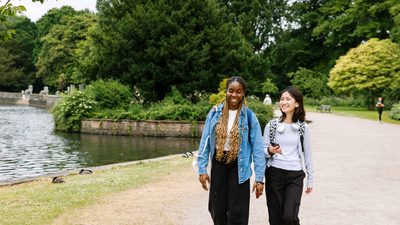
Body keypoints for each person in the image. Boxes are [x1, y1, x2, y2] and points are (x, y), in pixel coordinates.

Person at [197, 76, 266, 225]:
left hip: (239, 165)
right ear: (226, 91)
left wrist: (259, 178)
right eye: (231, 91)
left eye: (238, 92)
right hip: (219, 162)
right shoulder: (215, 113)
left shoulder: (249, 116)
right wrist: (201, 169)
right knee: (216, 209)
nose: (234, 95)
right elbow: (205, 142)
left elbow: (258, 149)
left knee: (238, 212)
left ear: (243, 94)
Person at [263, 86, 314, 225]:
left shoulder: (303, 127)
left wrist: (310, 179)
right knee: (275, 219)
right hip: (274, 174)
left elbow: (308, 154)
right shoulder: (271, 125)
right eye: (282, 99)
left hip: (295, 175)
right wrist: (270, 151)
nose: (283, 102)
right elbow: (262, 150)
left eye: (288, 99)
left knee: (289, 217)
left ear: (296, 103)